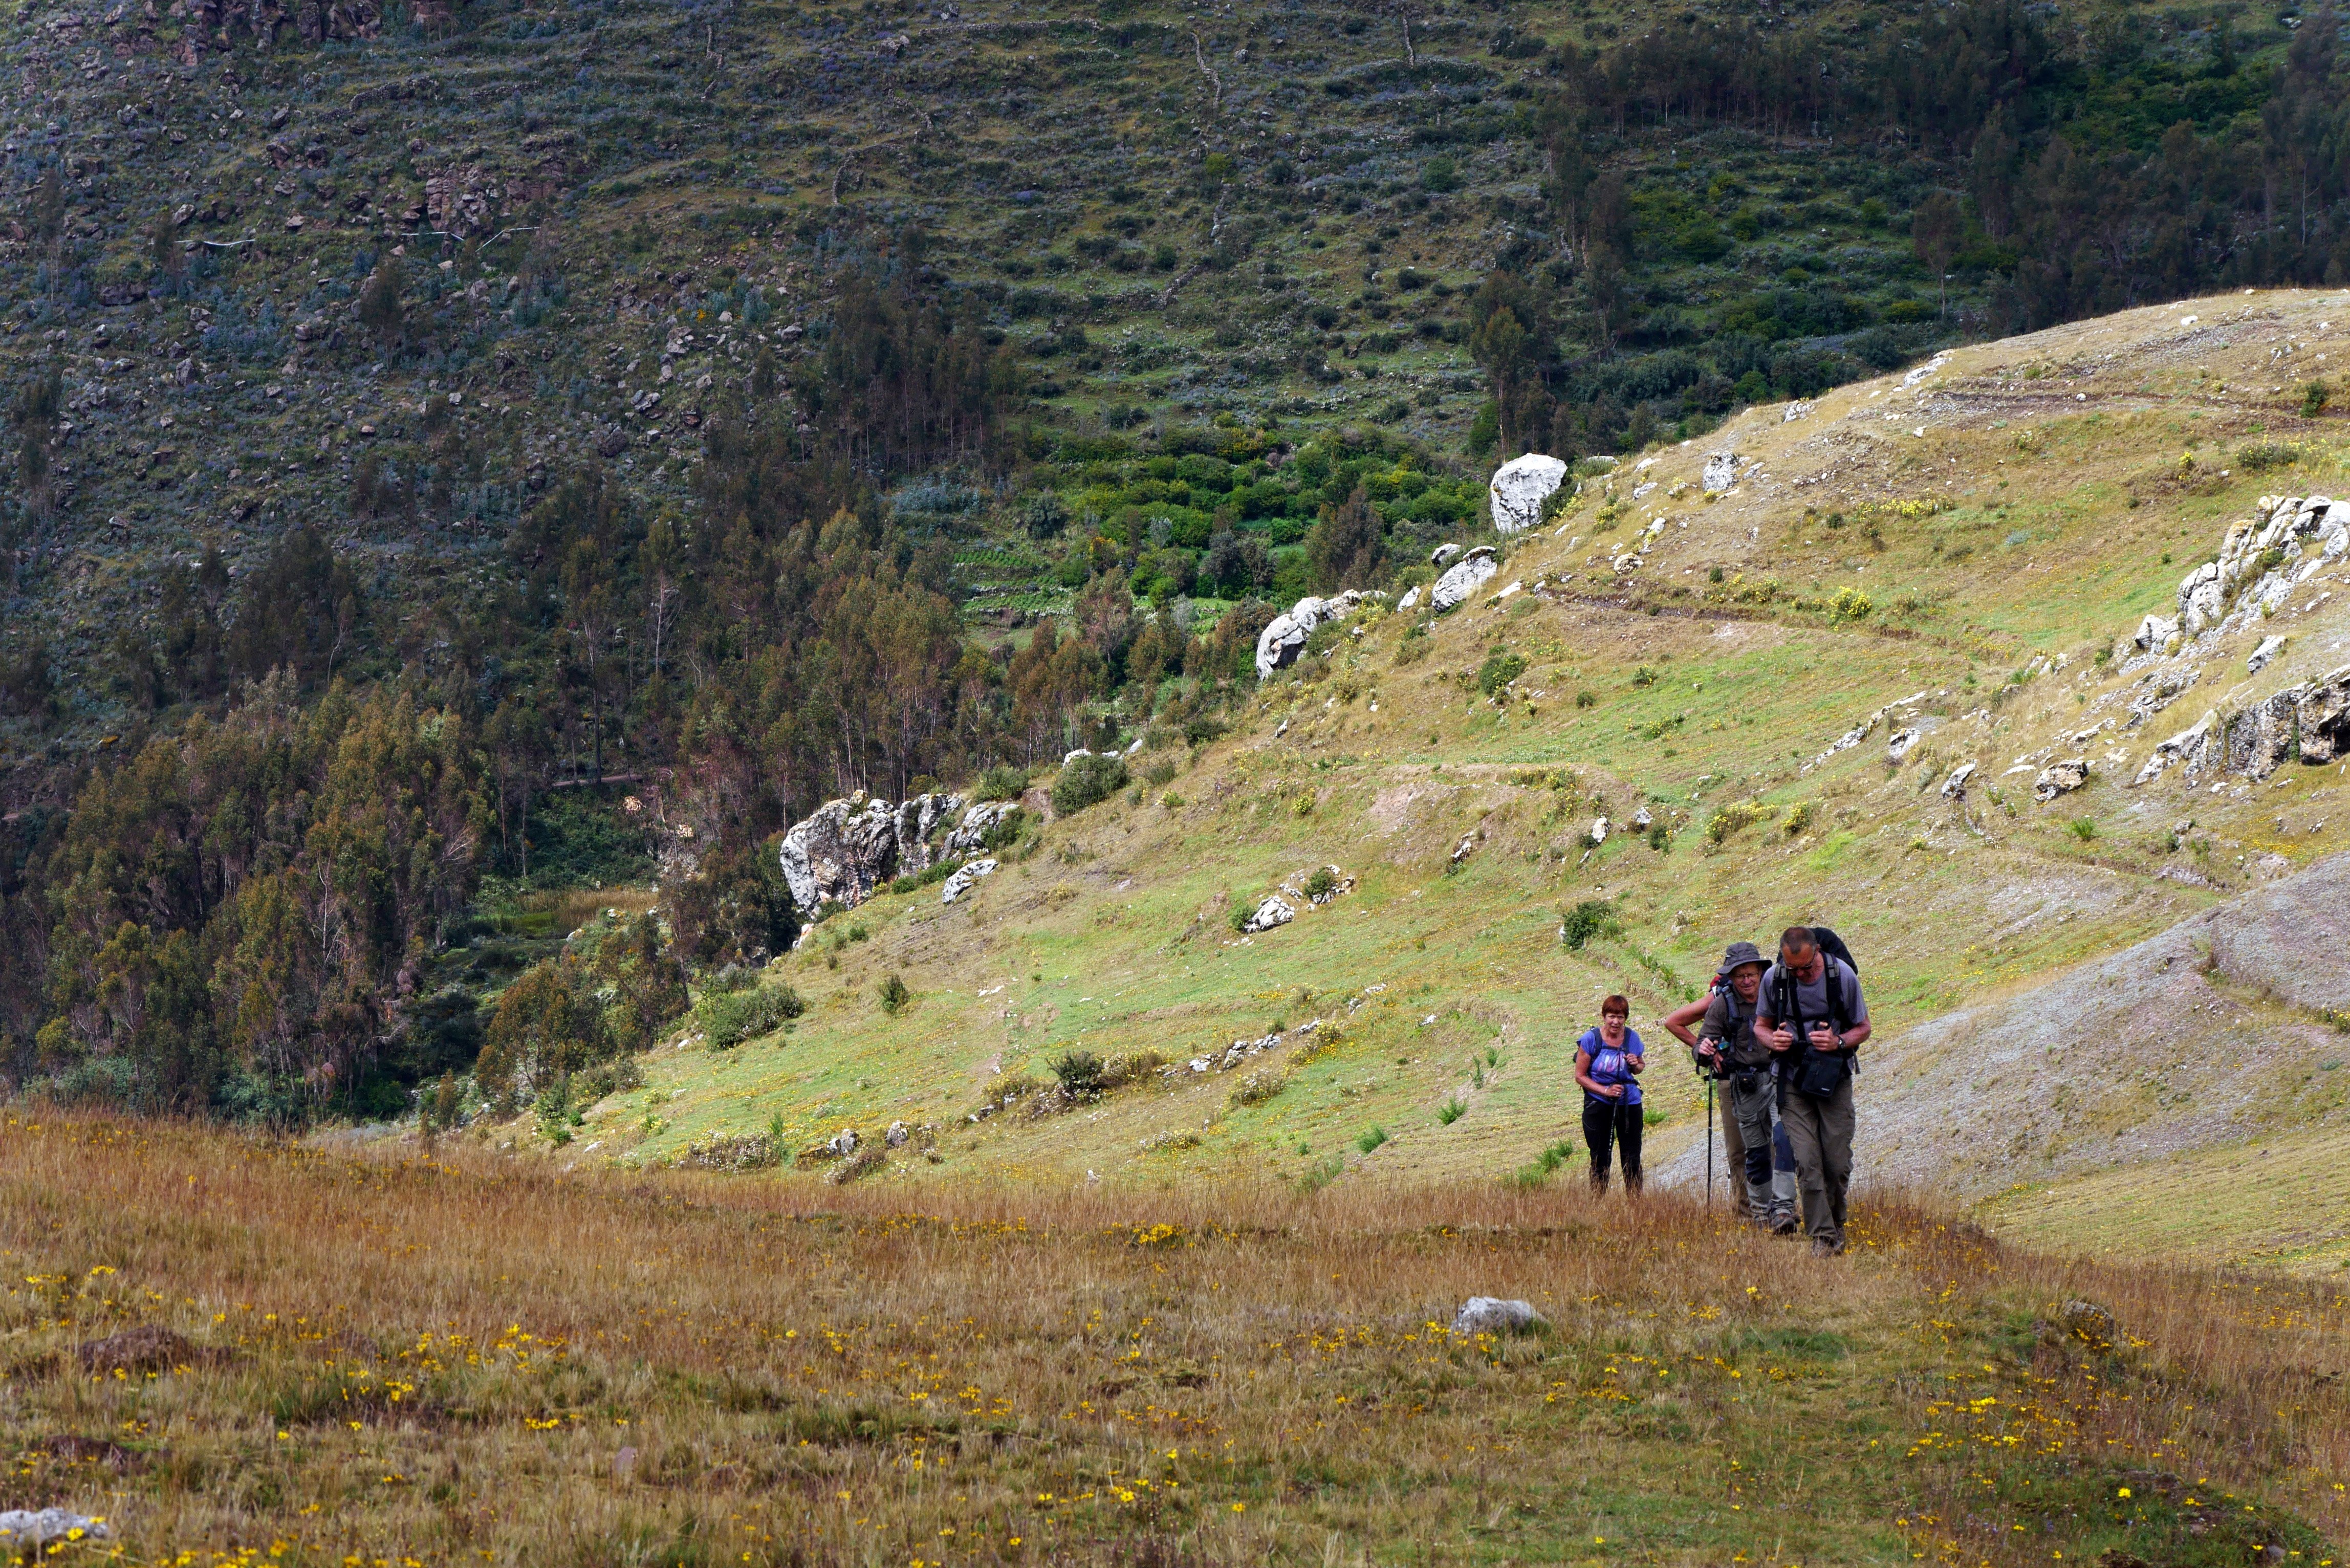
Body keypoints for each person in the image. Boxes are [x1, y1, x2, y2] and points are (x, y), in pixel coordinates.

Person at [1753, 926, 1871, 1256]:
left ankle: (1836, 1226)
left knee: (1836, 1161)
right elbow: (1761, 1026)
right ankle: (1821, 1236)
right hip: (1791, 1079)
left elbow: (1864, 1027)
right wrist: (1772, 1041)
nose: (1802, 974)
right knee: (1807, 1160)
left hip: (1833, 1078)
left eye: (1808, 966)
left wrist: (1839, 1042)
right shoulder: (1774, 979)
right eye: (1795, 969)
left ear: (1817, 951)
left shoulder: (1841, 975)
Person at [1663, 941, 1795, 1232]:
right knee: (1746, 1152)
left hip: (1777, 1079)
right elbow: (1690, 1034)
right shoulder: (1722, 1003)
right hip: (1740, 1084)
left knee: (1784, 1142)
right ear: (1731, 978)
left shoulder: (1778, 995)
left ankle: (1782, 1210)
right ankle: (1750, 1215)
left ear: (1762, 972)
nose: (1747, 981)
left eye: (1752, 974)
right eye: (1740, 976)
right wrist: (1706, 1051)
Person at [1574, 995, 1646, 1192]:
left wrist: (1635, 1064)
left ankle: (1635, 1202)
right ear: (1604, 1017)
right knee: (1600, 1156)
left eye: (1621, 1017)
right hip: (1598, 1102)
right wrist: (1606, 1091)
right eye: (1612, 1016)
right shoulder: (1591, 1039)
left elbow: (1640, 1066)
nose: (1616, 1022)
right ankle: (1598, 1203)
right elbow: (1580, 1076)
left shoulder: (1632, 1038)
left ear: (1626, 1018)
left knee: (1632, 1156)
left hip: (1629, 1102)